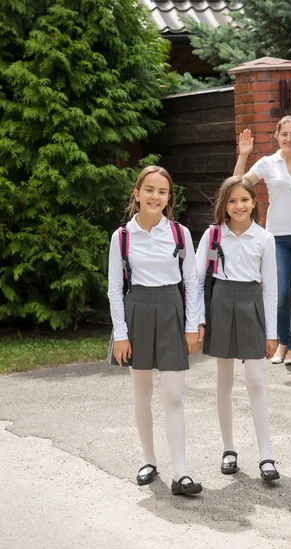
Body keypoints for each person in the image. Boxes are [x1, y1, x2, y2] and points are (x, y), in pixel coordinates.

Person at [108, 165, 204, 496]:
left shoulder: (179, 235)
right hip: (137, 312)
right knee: (142, 394)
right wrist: (120, 333)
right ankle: (148, 461)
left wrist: (192, 325)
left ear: (168, 198)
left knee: (173, 396)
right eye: (149, 189)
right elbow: (114, 290)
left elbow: (191, 281)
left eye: (162, 191)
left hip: (172, 312)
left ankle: (181, 474)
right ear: (137, 194)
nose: (155, 196)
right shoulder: (121, 237)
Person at [196, 175, 280, 481]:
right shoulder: (213, 236)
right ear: (224, 205)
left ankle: (266, 455)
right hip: (222, 302)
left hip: (251, 304)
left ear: (254, 203)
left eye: (244, 199)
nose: (239, 205)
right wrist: (197, 320)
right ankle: (229, 449)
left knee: (255, 381)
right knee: (224, 380)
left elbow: (270, 287)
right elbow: (195, 279)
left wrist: (272, 333)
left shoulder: (265, 239)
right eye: (232, 201)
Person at [234, 116, 291, 365]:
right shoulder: (267, 163)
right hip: (276, 237)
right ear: (277, 136)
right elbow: (236, 185)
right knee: (279, 293)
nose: (289, 139)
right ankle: (281, 342)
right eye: (284, 134)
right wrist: (243, 155)